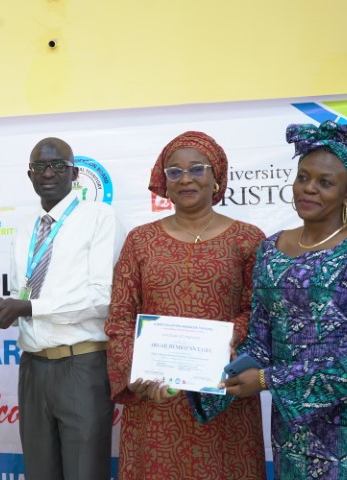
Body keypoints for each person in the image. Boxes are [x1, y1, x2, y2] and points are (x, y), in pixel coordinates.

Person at [213, 120, 347, 479]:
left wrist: (268, 379)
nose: (309, 188)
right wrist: (216, 368)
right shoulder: (271, 248)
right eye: (303, 177)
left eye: (325, 182)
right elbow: (261, 338)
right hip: (292, 430)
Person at [105, 131, 267, 479]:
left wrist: (225, 341)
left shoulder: (248, 238)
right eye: (174, 172)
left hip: (223, 394)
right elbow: (120, 317)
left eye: (197, 169)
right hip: (156, 398)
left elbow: (260, 311)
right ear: (164, 182)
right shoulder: (140, 241)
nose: (185, 179)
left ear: (216, 177)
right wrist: (134, 375)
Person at [0, 137, 125, 480]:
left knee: (84, 472)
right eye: (40, 167)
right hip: (32, 366)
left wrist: (29, 307)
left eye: (58, 165)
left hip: (82, 365)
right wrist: (2, 312)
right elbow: (23, 291)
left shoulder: (100, 218)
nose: (49, 173)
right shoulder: (24, 228)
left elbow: (103, 298)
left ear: (75, 173)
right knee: (39, 472)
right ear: (30, 175)